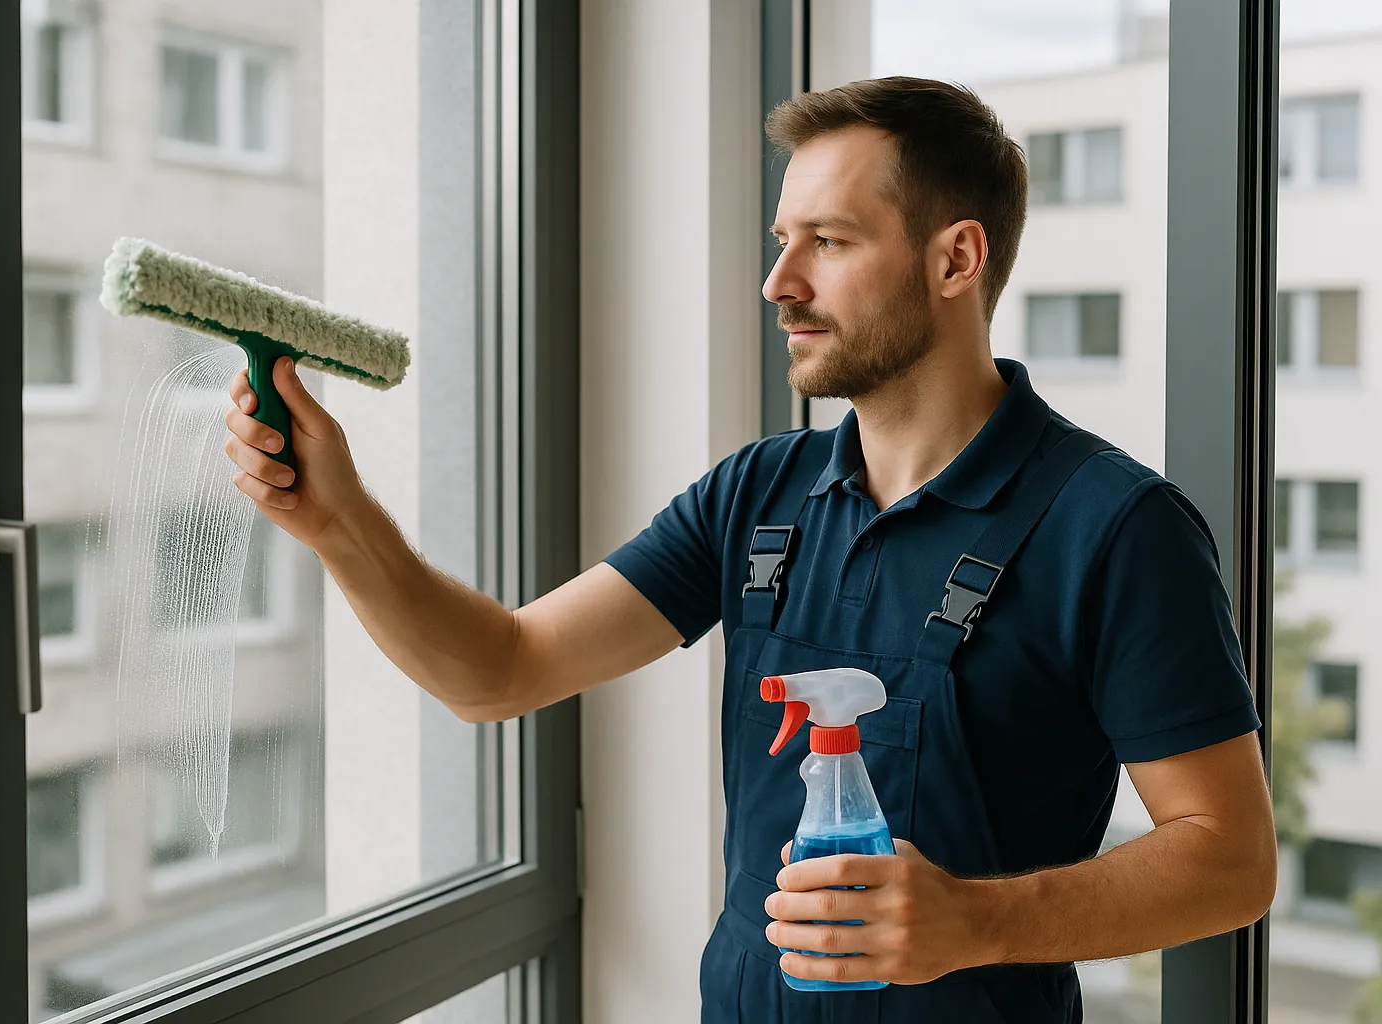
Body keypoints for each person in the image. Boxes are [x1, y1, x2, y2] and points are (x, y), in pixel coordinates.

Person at [222, 76, 1276, 1024]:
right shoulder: (756, 495)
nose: (779, 283)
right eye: (782, 240)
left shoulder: (1116, 526)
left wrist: (974, 921)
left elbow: (1232, 860)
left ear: (955, 257)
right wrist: (340, 523)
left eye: (829, 241)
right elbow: (499, 668)